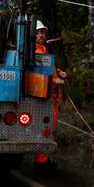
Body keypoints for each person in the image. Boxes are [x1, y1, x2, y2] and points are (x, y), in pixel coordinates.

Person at [33, 20, 67, 167]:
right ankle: (41, 162)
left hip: (51, 96)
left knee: (49, 127)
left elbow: (49, 68)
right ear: (32, 35)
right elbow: (40, 74)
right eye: (38, 32)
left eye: (43, 32)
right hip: (45, 96)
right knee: (45, 128)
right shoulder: (36, 51)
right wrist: (56, 81)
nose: (41, 35)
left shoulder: (44, 49)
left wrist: (59, 72)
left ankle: (44, 159)